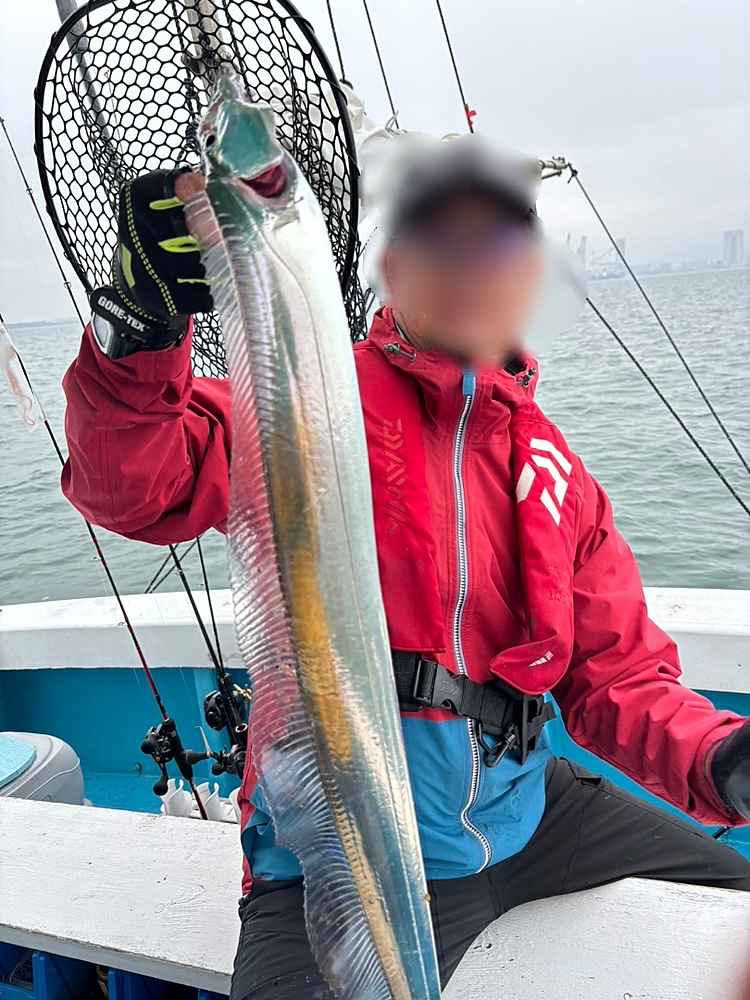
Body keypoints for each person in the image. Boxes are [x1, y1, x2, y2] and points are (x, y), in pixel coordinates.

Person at [61, 144, 750, 1000]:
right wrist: (137, 331)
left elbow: (617, 678)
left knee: (735, 902)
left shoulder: (556, 473)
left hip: (530, 814)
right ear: (395, 269)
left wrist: (722, 757)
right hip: (342, 840)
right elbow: (138, 483)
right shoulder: (310, 397)